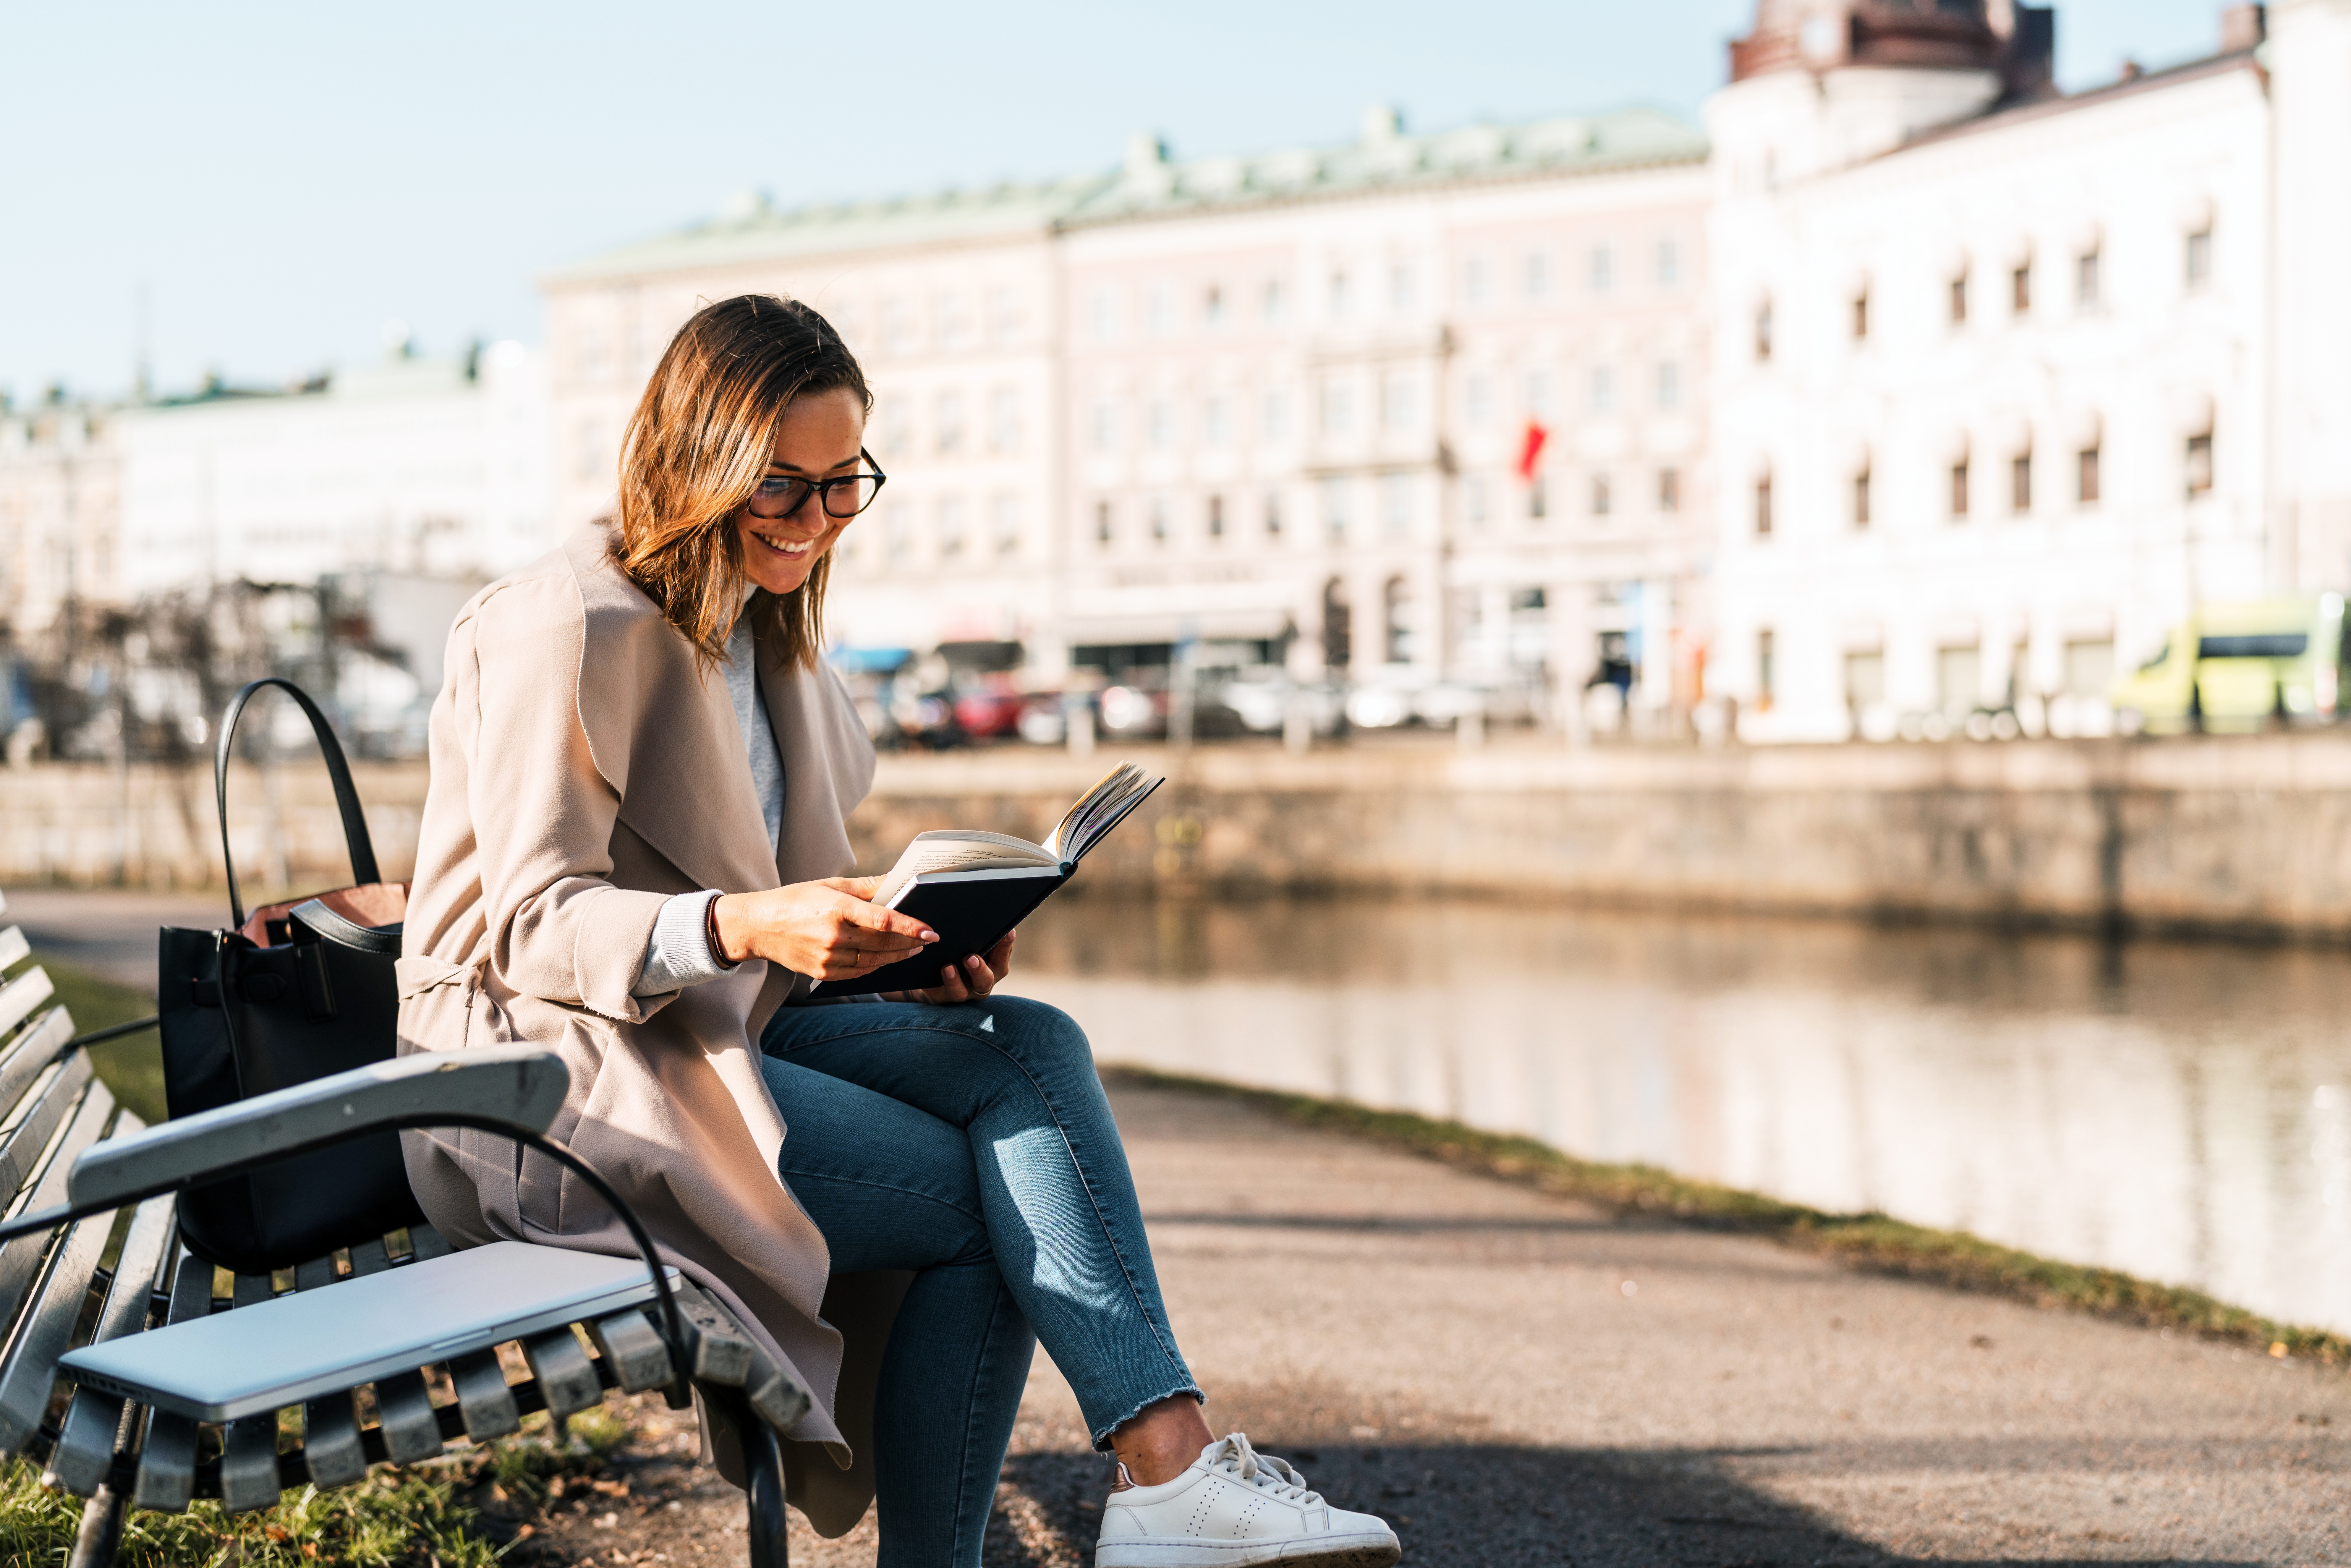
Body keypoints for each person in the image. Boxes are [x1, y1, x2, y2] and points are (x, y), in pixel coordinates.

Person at [394, 294, 1399, 1568]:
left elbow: (773, 924)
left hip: (708, 1040)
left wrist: (905, 955)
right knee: (991, 1207)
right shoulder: (559, 622)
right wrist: (753, 923)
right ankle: (1154, 1481)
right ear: (692, 459)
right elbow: (532, 927)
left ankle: (1168, 1475)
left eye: (842, 485)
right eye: (783, 485)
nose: (815, 521)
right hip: (546, 1085)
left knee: (1022, 1038)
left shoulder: (771, 647)